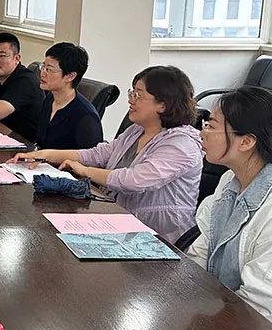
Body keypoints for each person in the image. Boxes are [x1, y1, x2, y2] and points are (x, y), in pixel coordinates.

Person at [11, 65, 202, 242]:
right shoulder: (137, 130)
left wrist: (85, 171)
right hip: (119, 222)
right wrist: (45, 154)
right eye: (131, 92)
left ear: (163, 104)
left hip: (158, 238)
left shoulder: (181, 145)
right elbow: (98, 154)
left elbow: (134, 180)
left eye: (138, 95)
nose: (130, 99)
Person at [188, 88, 272, 330]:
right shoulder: (231, 179)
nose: (201, 133)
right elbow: (201, 254)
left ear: (246, 141)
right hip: (216, 318)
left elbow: (263, 312)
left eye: (211, 126)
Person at [35, 42, 103, 149]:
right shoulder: (50, 99)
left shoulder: (86, 117)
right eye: (43, 67)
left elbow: (91, 156)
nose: (42, 73)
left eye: (49, 69)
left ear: (70, 76)